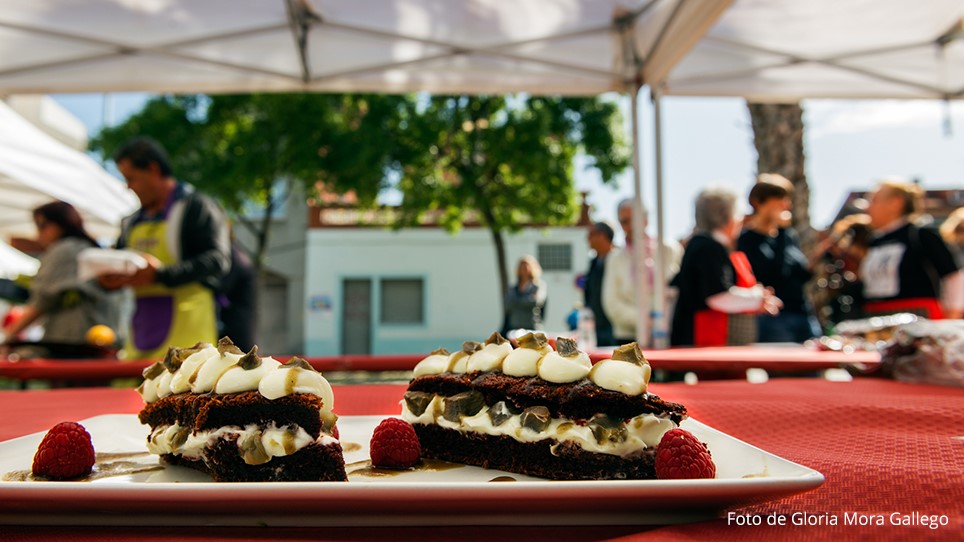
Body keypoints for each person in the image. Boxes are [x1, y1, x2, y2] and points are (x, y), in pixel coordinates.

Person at [99, 137, 231, 360]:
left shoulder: (196, 207)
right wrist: (109, 279)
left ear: (153, 169)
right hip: (139, 332)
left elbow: (218, 260)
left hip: (189, 335)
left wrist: (159, 275)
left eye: (131, 178)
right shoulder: (130, 222)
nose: (128, 186)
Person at [670, 187, 782, 347]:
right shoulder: (707, 247)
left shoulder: (705, 245)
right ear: (729, 218)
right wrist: (757, 298)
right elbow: (717, 295)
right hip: (699, 341)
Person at [2, 201, 122, 345]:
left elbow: (43, 300)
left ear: (62, 223)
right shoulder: (86, 248)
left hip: (70, 341)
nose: (38, 234)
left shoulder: (65, 250)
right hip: (98, 338)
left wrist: (9, 336)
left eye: (43, 226)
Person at [859, 180, 961, 319]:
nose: (867, 207)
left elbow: (952, 276)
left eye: (873, 200)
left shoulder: (919, 234)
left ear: (896, 202)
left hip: (920, 316)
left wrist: (952, 315)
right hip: (877, 315)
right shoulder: (874, 240)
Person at [737, 174, 820, 343]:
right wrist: (781, 232)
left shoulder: (789, 236)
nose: (786, 205)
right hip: (773, 320)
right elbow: (773, 274)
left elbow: (801, 274)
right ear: (758, 202)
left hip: (803, 315)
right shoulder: (746, 239)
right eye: (780, 198)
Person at [602, 199, 682, 345]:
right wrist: (644, 319)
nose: (630, 226)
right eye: (625, 222)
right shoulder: (615, 258)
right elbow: (611, 303)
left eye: (634, 219)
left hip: (667, 334)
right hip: (628, 336)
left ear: (646, 219)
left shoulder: (668, 249)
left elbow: (677, 290)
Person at [217, 240, 257, 351]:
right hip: (238, 326)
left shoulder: (234, 257)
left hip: (236, 329)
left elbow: (221, 286)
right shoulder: (237, 255)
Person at [583, 221, 616, 346]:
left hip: (614, 326)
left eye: (591, 235)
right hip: (596, 326)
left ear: (602, 236)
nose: (587, 239)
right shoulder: (593, 263)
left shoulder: (618, 259)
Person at [502, 256, 547, 334]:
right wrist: (526, 299)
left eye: (527, 265)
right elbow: (507, 305)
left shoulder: (538, 286)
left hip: (532, 327)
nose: (524, 268)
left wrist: (516, 300)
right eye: (522, 265)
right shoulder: (513, 288)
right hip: (514, 327)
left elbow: (536, 301)